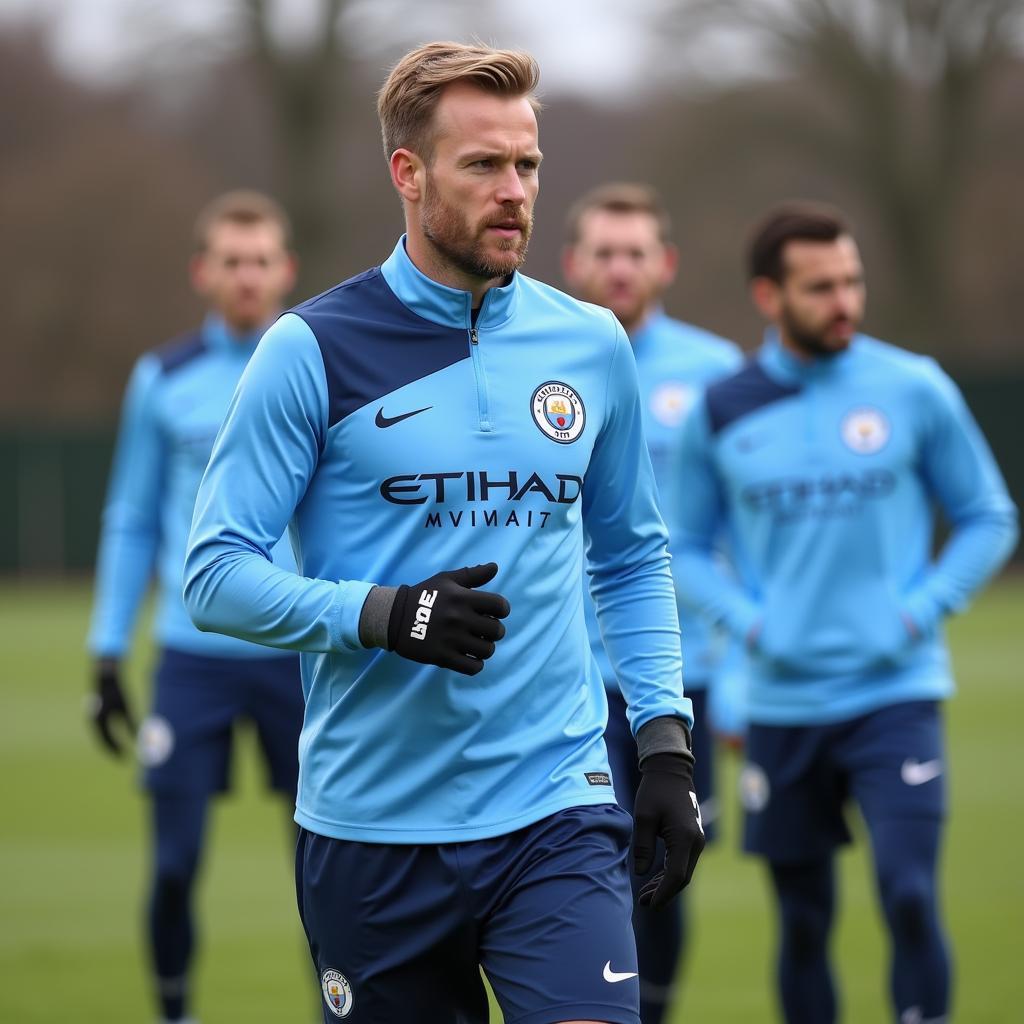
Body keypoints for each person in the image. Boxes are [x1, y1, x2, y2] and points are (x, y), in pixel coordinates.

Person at [183, 42, 705, 1024]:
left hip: (555, 805)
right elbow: (214, 575)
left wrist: (665, 742)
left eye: (528, 165)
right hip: (370, 829)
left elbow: (632, 553)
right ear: (408, 174)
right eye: (483, 166)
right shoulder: (311, 350)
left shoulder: (590, 345)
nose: (515, 191)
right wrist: (384, 614)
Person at [671, 201, 1019, 1024]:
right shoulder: (723, 408)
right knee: (802, 922)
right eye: (821, 287)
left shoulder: (913, 386)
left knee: (907, 893)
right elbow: (681, 544)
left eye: (853, 281)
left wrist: (920, 610)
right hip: (784, 706)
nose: (845, 302)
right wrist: (751, 624)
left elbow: (988, 515)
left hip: (895, 694)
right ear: (768, 295)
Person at [86, 191, 302, 1024]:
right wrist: (108, 651)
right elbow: (132, 516)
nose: (246, 277)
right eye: (231, 262)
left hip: (298, 649)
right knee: (174, 865)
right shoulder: (163, 377)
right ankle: (175, 1013)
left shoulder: (317, 363)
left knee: (329, 868)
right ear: (203, 272)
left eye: (261, 262)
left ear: (284, 270)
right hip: (192, 653)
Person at [562, 182, 742, 1023]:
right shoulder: (543, 358)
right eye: (603, 251)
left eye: (636, 252)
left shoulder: (716, 377)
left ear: (665, 263)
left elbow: (746, 538)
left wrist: (739, 677)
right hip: (567, 679)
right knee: (585, 870)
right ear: (573, 262)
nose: (620, 267)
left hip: (683, 676)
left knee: (670, 862)